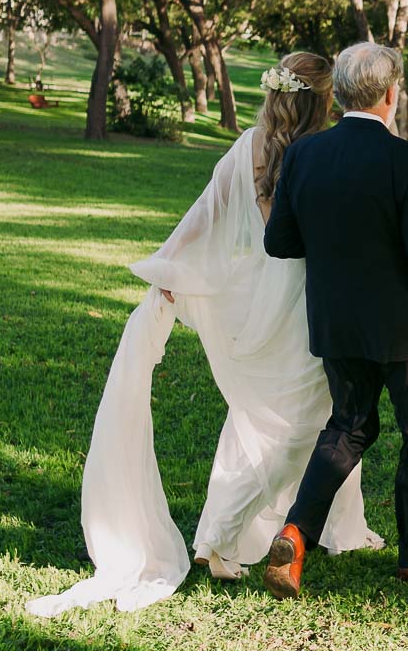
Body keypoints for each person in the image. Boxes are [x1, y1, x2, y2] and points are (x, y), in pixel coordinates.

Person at [26, 54, 383, 617]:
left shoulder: (250, 144)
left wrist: (170, 263)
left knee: (291, 416)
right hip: (306, 301)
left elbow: (205, 212)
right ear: (323, 99)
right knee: (310, 420)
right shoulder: (322, 149)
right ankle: (218, 534)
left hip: (263, 299)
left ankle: (338, 525)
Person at [262, 42, 408, 598]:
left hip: (336, 322)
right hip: (400, 330)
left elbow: (279, 241)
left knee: (350, 427)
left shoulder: (306, 156)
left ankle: (296, 533)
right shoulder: (405, 161)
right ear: (389, 94)